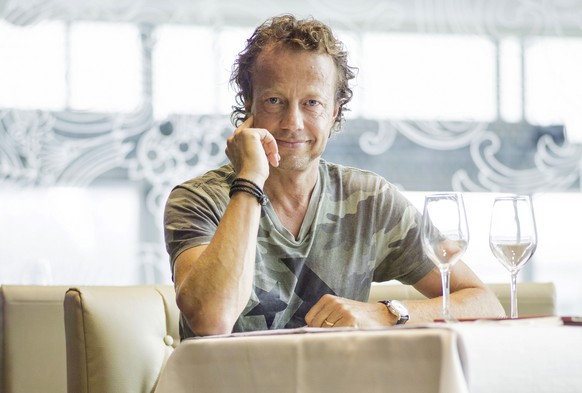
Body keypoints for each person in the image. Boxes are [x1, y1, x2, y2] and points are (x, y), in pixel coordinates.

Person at [164, 14, 505, 339]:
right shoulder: (197, 200)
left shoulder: (369, 201)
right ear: (249, 106)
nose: (292, 122)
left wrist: (385, 314)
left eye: (311, 102)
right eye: (274, 100)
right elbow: (212, 319)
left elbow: (485, 305)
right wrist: (250, 179)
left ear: (334, 112)